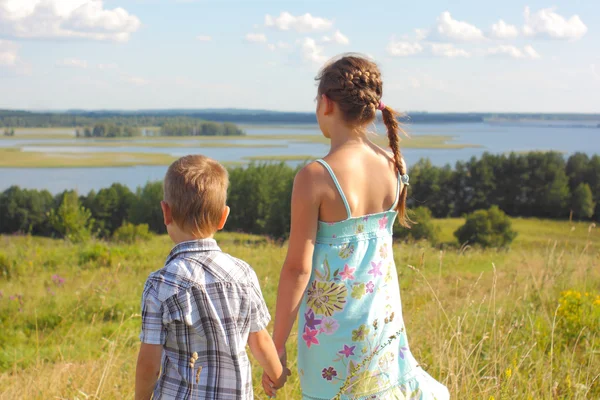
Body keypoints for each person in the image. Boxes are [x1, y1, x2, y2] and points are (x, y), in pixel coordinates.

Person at [265, 54, 450, 399]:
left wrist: (277, 346)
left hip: (331, 339)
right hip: (383, 325)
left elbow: (296, 269)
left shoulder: (315, 177)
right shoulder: (394, 163)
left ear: (326, 103)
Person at [135, 155, 288, 400]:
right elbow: (260, 341)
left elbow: (148, 364)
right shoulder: (243, 274)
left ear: (166, 212)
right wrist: (277, 375)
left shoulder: (160, 284)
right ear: (223, 217)